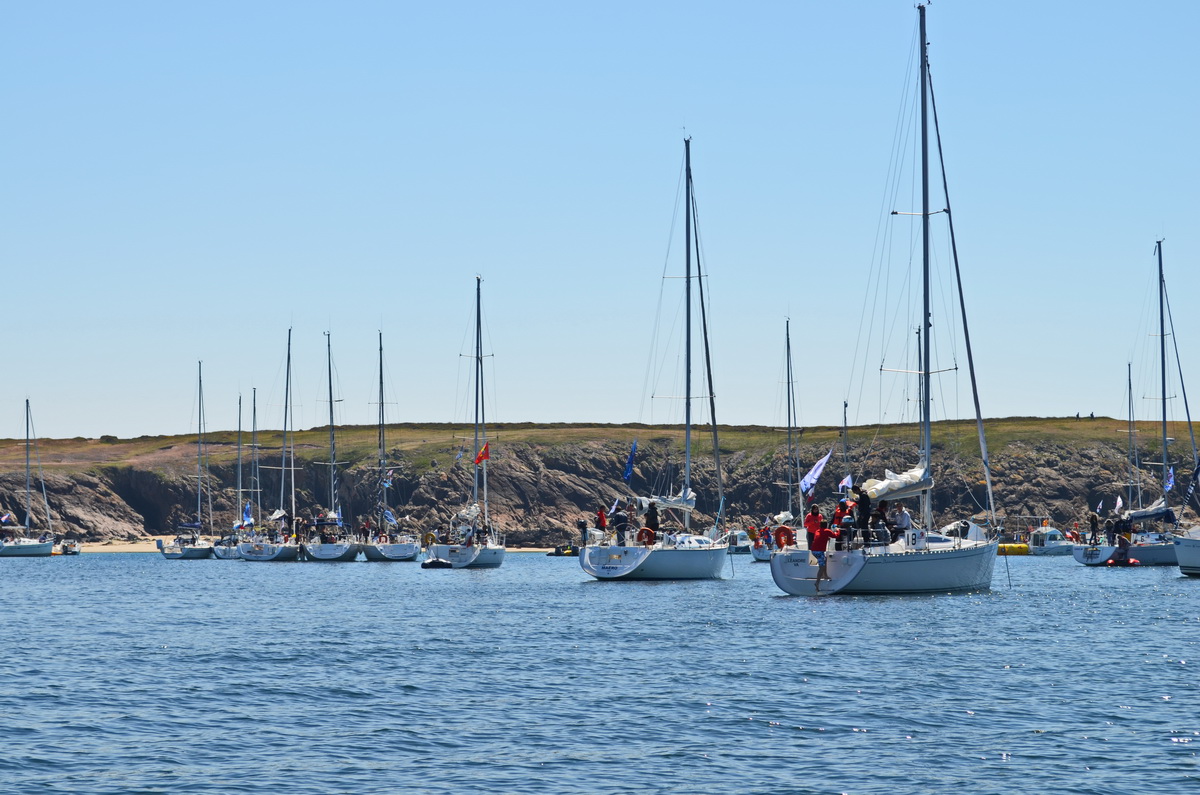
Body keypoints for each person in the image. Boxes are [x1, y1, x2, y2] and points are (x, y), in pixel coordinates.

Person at [811, 519, 840, 593]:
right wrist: (838, 530)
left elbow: (819, 537)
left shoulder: (817, 531)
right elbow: (836, 536)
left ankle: (825, 575)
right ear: (826, 525)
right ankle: (817, 583)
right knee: (821, 567)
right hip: (819, 551)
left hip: (813, 550)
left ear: (820, 525)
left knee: (825, 559)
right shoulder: (827, 531)